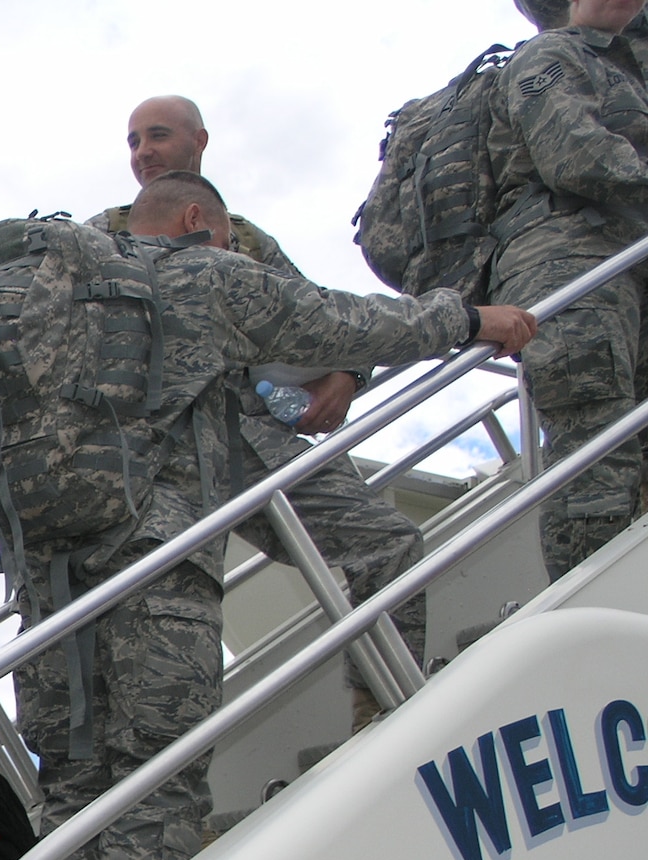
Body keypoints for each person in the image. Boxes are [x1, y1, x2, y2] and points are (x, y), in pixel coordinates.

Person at [22, 172, 535, 860]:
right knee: (161, 762)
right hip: (163, 541)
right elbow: (345, 321)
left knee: (78, 764)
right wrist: (471, 318)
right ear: (199, 220)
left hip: (49, 562)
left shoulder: (57, 297)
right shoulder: (195, 275)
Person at [93, 95, 430, 734]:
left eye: (157, 136)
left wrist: (348, 375)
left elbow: (319, 316)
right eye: (133, 142)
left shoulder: (241, 237)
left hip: (249, 434)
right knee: (161, 634)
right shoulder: (98, 238)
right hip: (156, 458)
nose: (143, 154)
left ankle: (385, 709)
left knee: (386, 543)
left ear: (199, 140)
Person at [489, 0, 648, 580]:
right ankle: (582, 604)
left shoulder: (625, 66)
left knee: (629, 455)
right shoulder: (551, 53)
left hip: (625, 265)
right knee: (597, 457)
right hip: (571, 268)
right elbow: (575, 156)